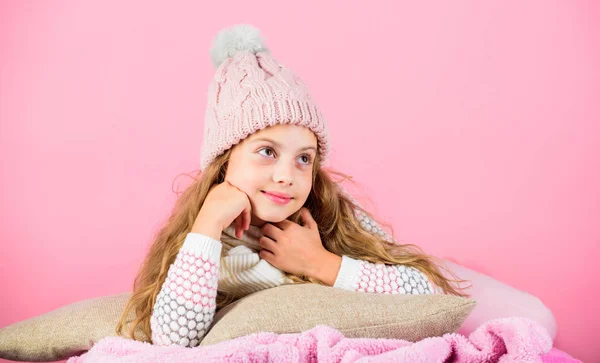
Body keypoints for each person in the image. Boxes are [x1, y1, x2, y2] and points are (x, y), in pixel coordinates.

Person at [116, 24, 470, 347]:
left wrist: (320, 263)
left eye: (304, 158)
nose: (287, 175)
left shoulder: (328, 213)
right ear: (225, 160)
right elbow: (173, 339)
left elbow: (428, 294)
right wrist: (207, 226)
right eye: (267, 151)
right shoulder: (203, 235)